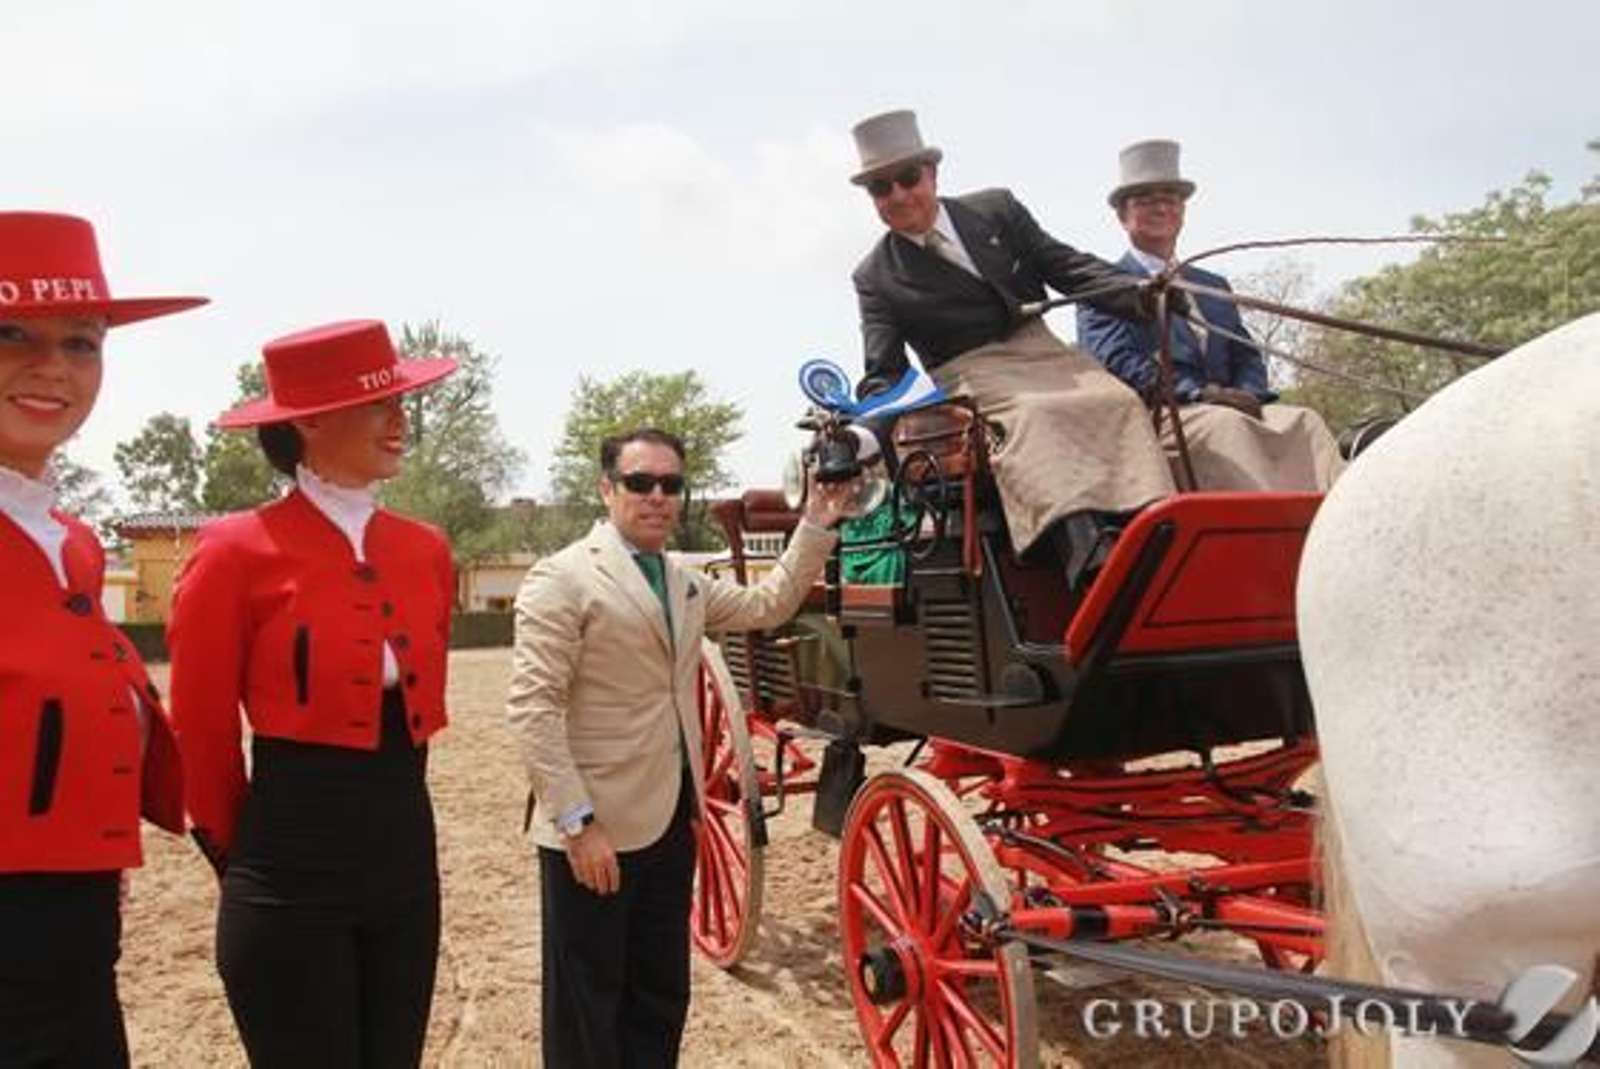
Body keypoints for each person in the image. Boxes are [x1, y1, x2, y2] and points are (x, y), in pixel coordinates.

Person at [506, 428, 854, 1068]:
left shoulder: (682, 581)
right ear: (606, 489)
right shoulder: (562, 578)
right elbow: (533, 709)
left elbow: (768, 603)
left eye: (671, 484)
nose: (657, 496)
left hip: (671, 823)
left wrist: (817, 521)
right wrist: (578, 823)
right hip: (597, 829)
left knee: (659, 999)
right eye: (640, 482)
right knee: (587, 1012)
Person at [168, 320, 458, 1068]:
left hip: (405, 861)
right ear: (309, 422)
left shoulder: (426, 549)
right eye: (377, 404)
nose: (399, 420)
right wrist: (243, 856)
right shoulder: (234, 549)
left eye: (401, 401)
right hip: (287, 868)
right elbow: (199, 728)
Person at [0, 211, 202, 1065]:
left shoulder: (70, 541)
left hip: (77, 930)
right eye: (12, 332)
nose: (54, 365)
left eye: (81, 342)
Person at [848, 108, 1176, 564]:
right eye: (881, 188)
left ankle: (1157, 533)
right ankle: (1089, 556)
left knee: (1118, 400)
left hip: (1044, 350)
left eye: (907, 178)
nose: (898, 195)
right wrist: (867, 426)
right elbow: (884, 373)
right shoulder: (874, 275)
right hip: (969, 372)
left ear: (933, 173)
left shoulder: (996, 209)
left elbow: (1063, 264)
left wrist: (1138, 292)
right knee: (1036, 415)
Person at [1077, 139, 1344, 491]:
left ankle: (1344, 517)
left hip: (1229, 408)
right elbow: (1118, 363)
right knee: (1227, 428)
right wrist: (1199, 394)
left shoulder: (1213, 285)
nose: (1161, 207)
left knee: (1304, 422)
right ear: (1122, 216)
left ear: (1183, 211)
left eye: (1171, 199)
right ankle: (1267, 520)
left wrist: (1249, 395)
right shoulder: (1103, 287)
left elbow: (1245, 354)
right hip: (1164, 415)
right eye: (1146, 200)